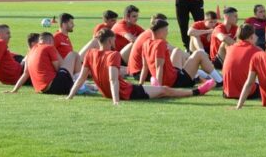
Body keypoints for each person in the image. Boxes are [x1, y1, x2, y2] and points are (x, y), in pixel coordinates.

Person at [67, 28, 216, 105]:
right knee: (164, 91)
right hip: (127, 92)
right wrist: (116, 101)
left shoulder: (90, 54)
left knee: (162, 91)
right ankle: (197, 92)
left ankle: (194, 86)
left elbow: (80, 79)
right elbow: (113, 80)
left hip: (114, 92)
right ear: (111, 40)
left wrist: (70, 96)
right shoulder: (113, 55)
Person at [140, 19, 223, 88]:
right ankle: (220, 81)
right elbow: (159, 67)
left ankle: (199, 76)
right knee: (199, 53)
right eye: (166, 30)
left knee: (177, 51)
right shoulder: (160, 43)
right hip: (176, 81)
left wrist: (140, 84)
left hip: (173, 75)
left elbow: (145, 67)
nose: (167, 33)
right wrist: (158, 89)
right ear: (160, 31)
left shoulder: (146, 43)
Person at [8, 32, 84, 95]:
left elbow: (25, 74)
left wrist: (14, 90)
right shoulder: (49, 47)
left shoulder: (30, 51)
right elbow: (58, 69)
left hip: (42, 90)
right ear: (51, 41)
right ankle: (80, 85)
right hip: (56, 86)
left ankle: (78, 83)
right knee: (73, 54)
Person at [222, 24, 261, 99]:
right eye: (255, 34)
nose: (257, 36)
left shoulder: (231, 47)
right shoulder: (255, 50)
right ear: (251, 36)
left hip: (227, 93)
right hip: (248, 93)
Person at [126, 13, 167, 79]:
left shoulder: (149, 33)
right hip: (140, 71)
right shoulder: (153, 36)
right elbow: (170, 49)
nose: (167, 30)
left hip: (137, 71)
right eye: (165, 27)